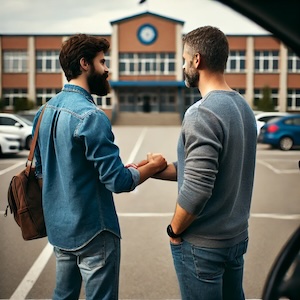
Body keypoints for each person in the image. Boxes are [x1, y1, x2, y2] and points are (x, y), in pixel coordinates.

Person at [32, 34, 167, 300]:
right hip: (94, 231)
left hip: (60, 230)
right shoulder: (91, 116)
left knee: (63, 296)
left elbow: (42, 171)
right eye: (102, 62)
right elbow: (118, 182)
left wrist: (125, 168)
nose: (107, 69)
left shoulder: (44, 112)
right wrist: (154, 166)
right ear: (85, 64)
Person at [150, 26, 257, 299]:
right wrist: (154, 170)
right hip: (235, 239)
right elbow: (208, 170)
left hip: (203, 247)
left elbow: (198, 189)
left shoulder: (202, 112)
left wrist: (174, 229)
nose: (183, 66)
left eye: (185, 59)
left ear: (197, 60)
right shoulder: (243, 108)